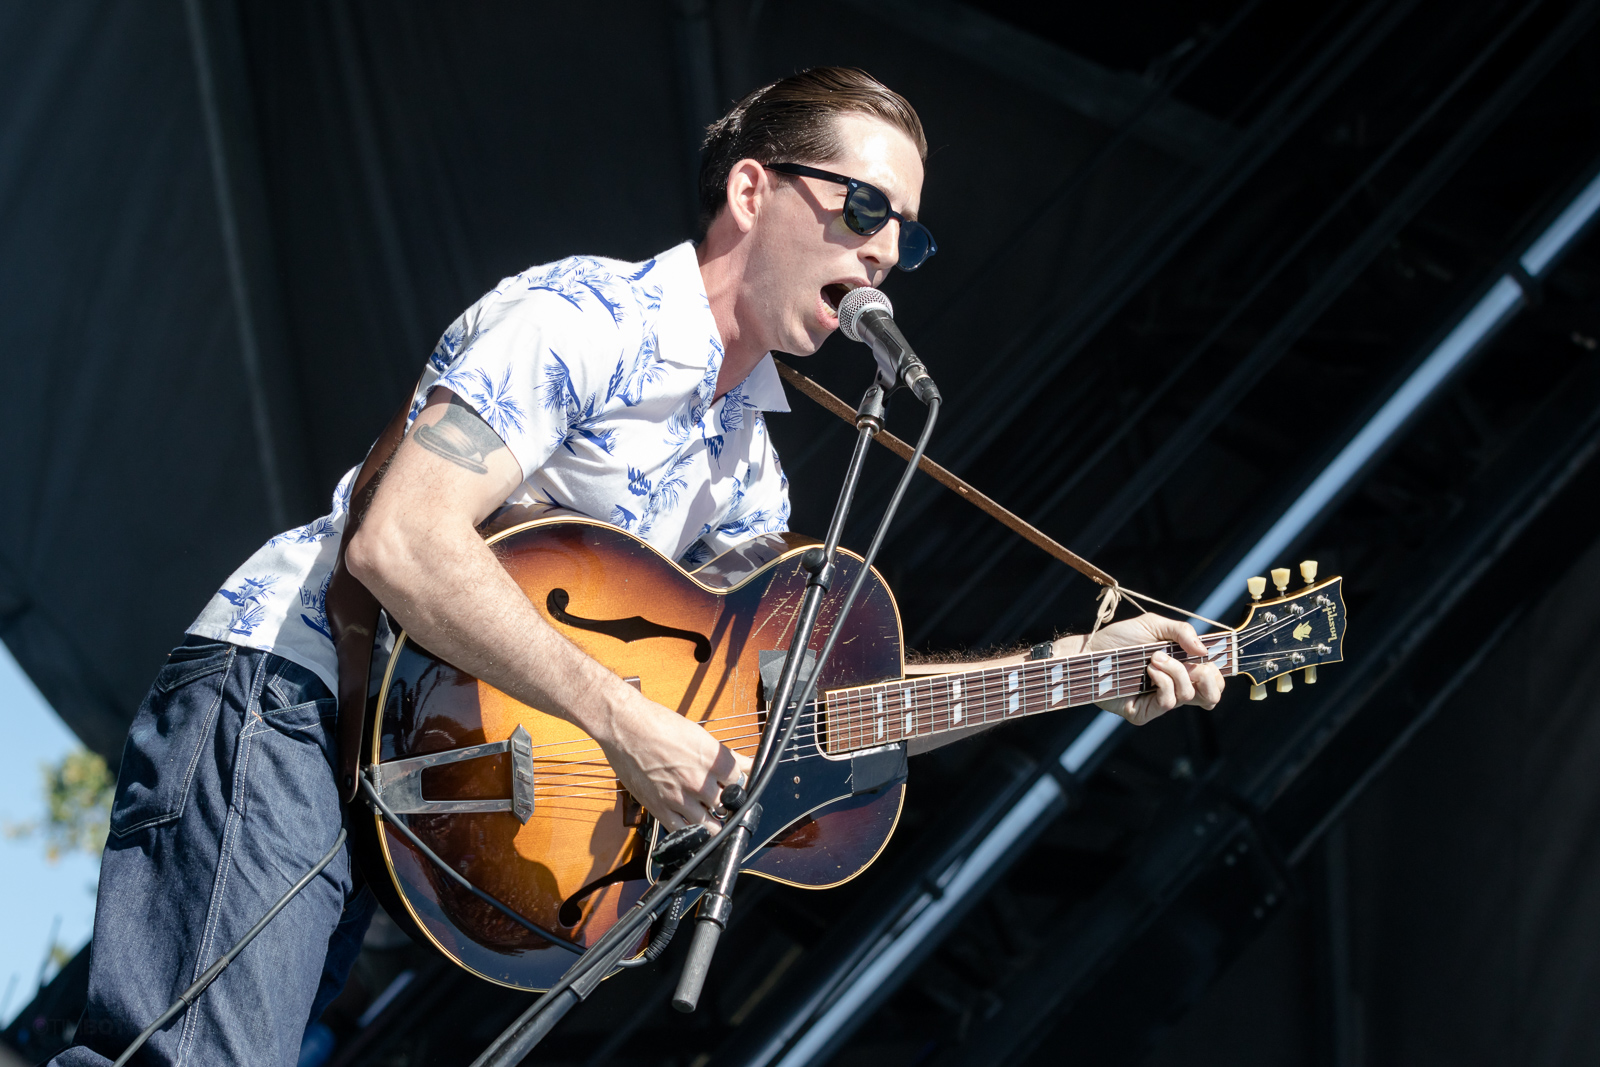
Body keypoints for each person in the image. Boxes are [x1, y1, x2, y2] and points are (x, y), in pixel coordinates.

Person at [55, 67, 1223, 1067]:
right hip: (296, 698)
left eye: (905, 235)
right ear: (751, 188)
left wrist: (1069, 667)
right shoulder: (584, 319)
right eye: (863, 207)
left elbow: (783, 727)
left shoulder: (751, 475)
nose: (883, 252)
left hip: (415, 782)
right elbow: (401, 538)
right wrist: (624, 720)